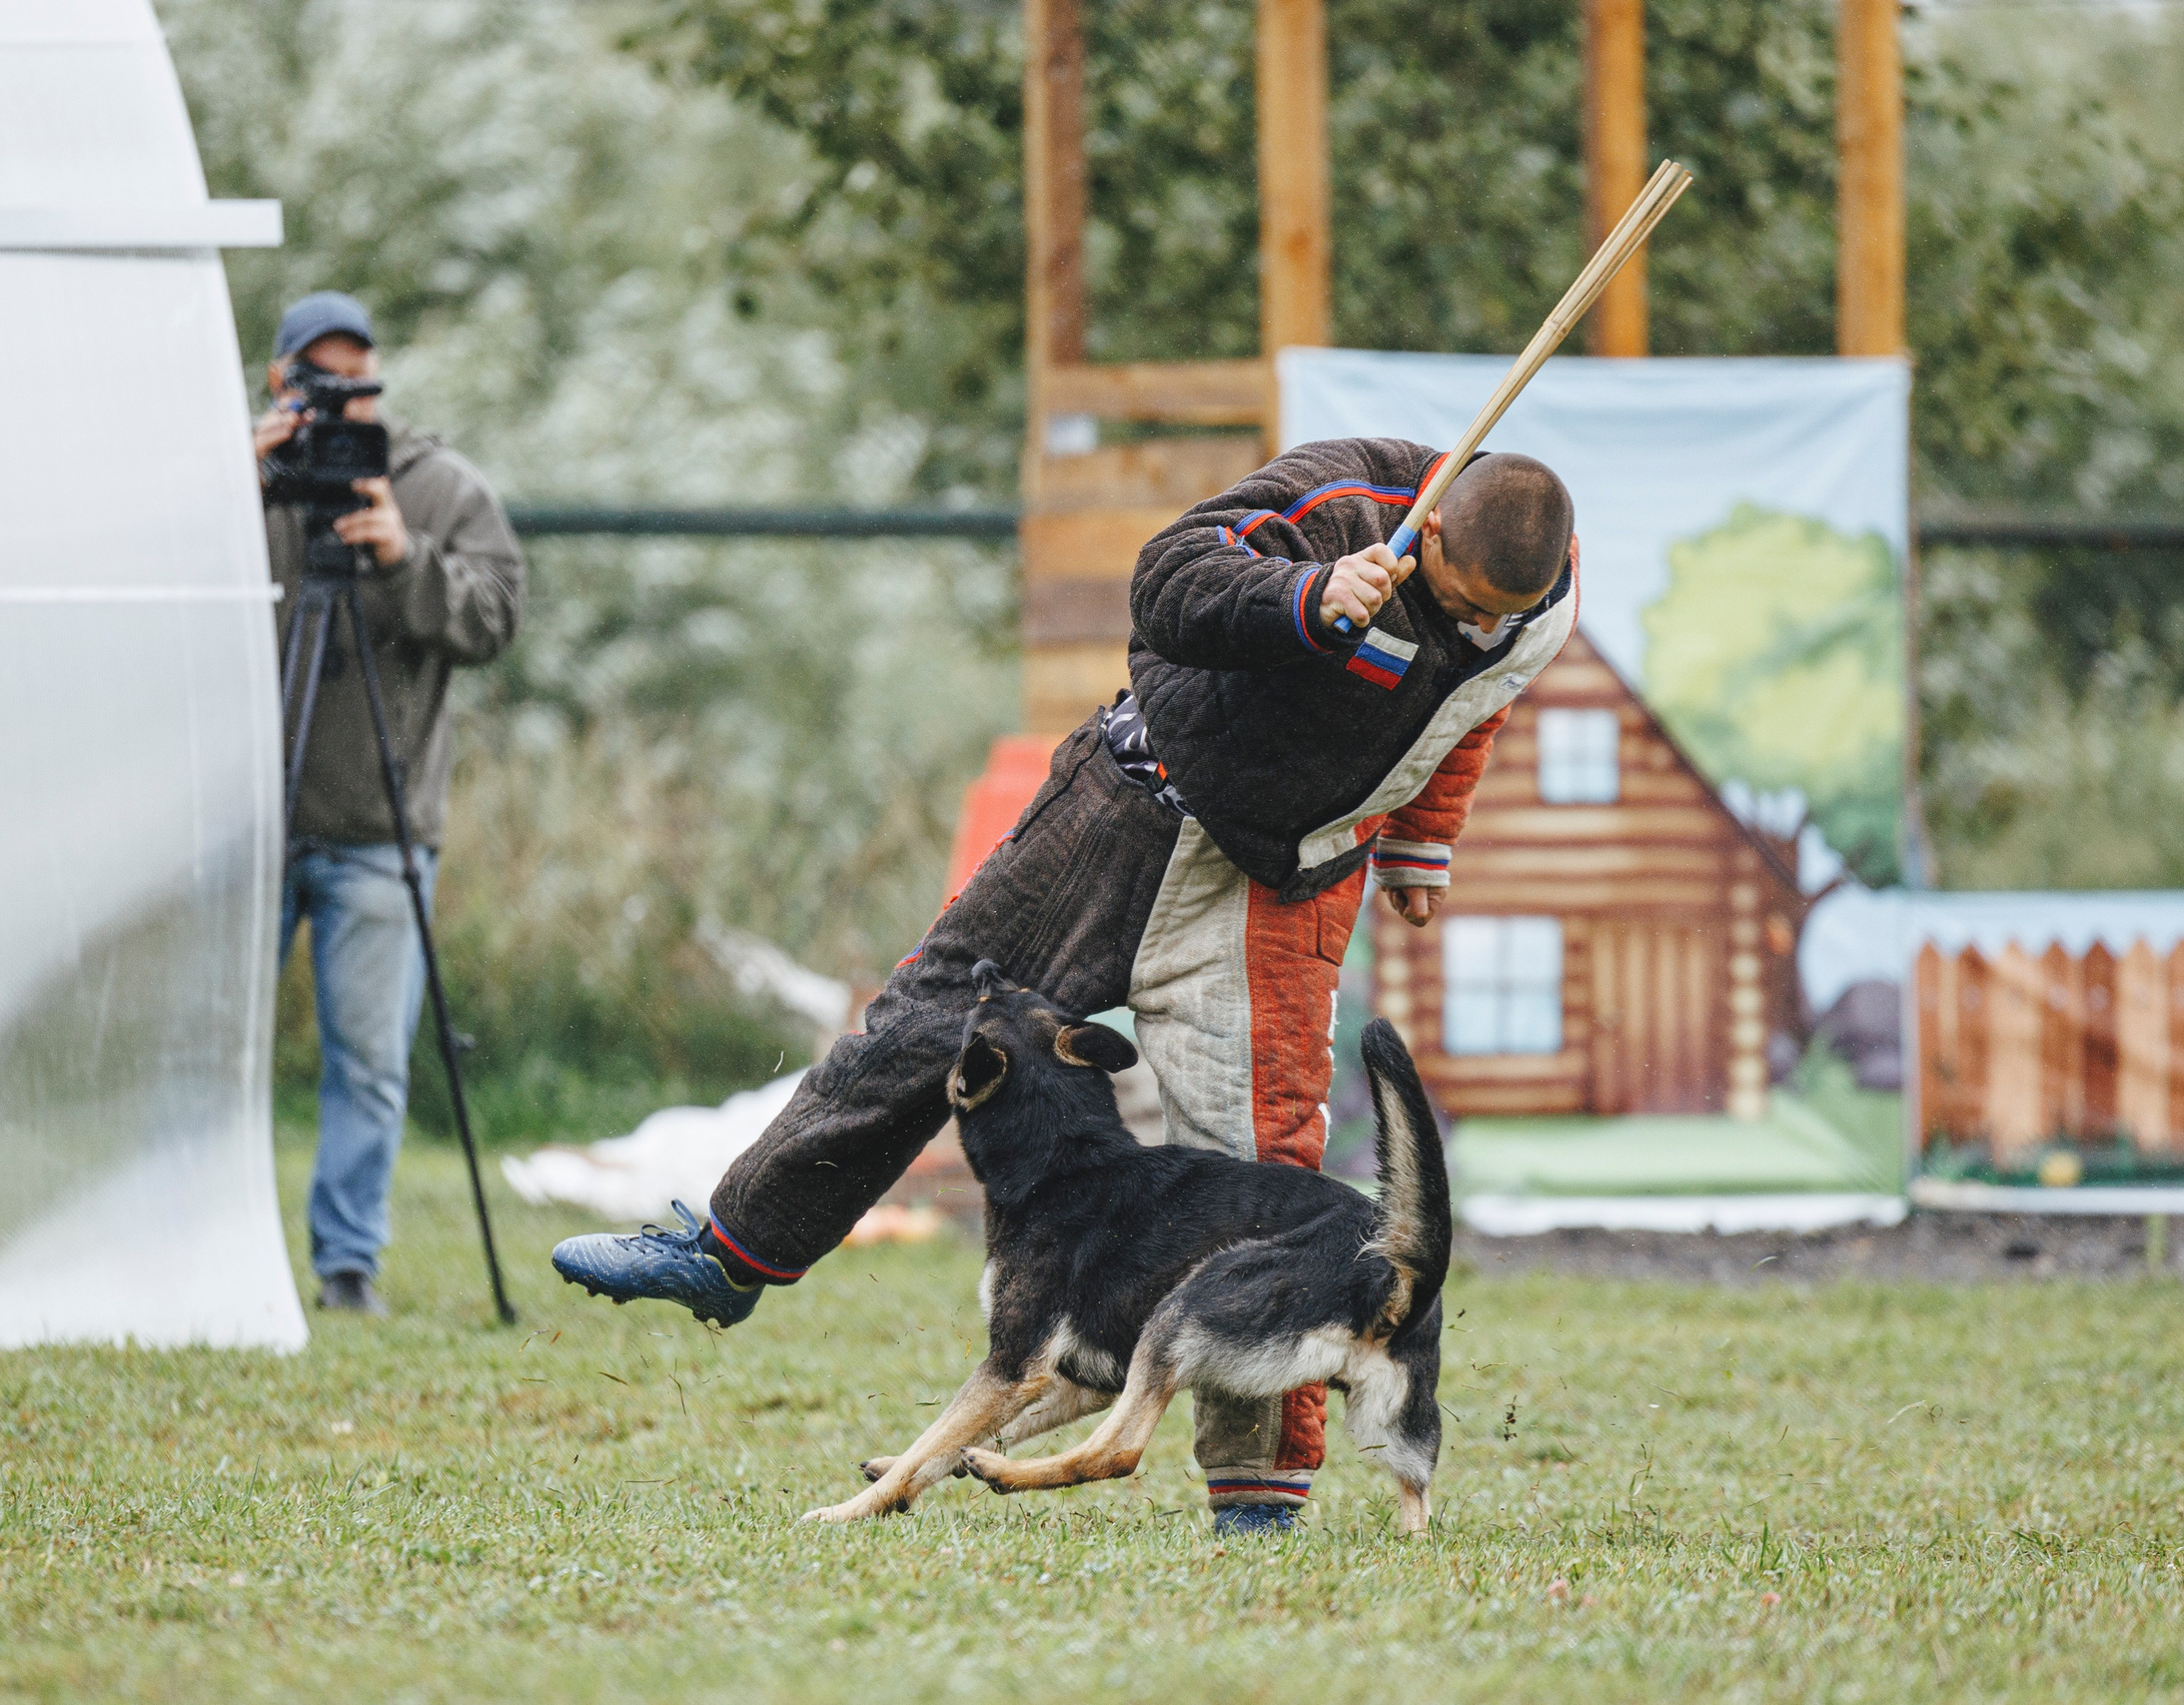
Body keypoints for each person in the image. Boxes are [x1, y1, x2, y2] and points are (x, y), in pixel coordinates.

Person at [555, 439, 1576, 1531]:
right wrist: (1308, 595)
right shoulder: (1337, 498)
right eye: (1460, 604)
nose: (1477, 631)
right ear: (1423, 532)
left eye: (1496, 619)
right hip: (1124, 806)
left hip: (1273, 880)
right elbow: (1167, 582)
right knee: (923, 1027)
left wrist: (1423, 844)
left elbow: (1464, 719)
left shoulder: (1529, 609)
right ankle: (733, 1250)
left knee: (1260, 1173)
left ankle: (1257, 1498)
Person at [260, 291, 527, 1317]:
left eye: (354, 378)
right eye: (316, 378)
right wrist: (242, 474)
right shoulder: (239, 476)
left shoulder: (435, 485)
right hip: (251, 821)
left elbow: (498, 611)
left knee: (368, 1061)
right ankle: (205, 1241)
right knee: (214, 1051)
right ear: (281, 380)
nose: (336, 398)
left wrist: (403, 554)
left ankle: (346, 1269)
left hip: (380, 825)